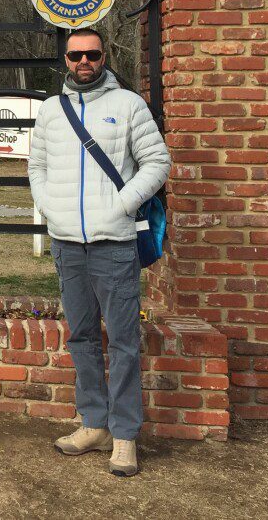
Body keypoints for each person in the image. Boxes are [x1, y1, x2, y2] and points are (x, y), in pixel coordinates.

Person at [27, 26, 170, 477]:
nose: (83, 62)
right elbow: (37, 166)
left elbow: (157, 162)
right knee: (82, 337)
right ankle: (94, 424)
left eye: (91, 54)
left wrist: (123, 204)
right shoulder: (52, 111)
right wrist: (50, 210)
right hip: (68, 244)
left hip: (115, 244)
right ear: (65, 61)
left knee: (124, 341)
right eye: (75, 56)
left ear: (103, 56)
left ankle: (124, 435)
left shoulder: (128, 105)